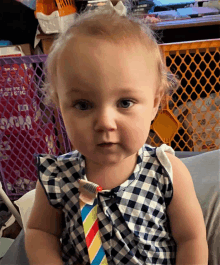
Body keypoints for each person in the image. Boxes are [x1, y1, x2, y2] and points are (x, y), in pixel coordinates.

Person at [25, 1, 208, 264]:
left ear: (155, 102)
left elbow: (191, 238)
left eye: (124, 103)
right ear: (59, 106)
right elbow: (40, 232)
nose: (105, 123)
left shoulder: (167, 171)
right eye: (83, 105)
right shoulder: (56, 177)